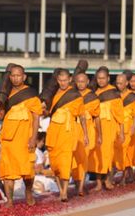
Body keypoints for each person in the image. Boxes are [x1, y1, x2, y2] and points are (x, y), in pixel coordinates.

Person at [0, 65, 42, 207]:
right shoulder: (5, 93)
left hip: (25, 137)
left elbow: (36, 118)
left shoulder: (30, 94)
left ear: (24, 77)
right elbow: (1, 116)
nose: (16, 78)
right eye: (13, 76)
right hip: (9, 137)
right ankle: (10, 200)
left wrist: (33, 138)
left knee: (27, 168)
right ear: (10, 77)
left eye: (18, 75)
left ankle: (28, 192)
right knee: (8, 169)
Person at [45, 68, 87, 202]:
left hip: (68, 131)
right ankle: (60, 189)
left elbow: (82, 116)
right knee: (55, 162)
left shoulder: (75, 95)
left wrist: (85, 134)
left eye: (65, 80)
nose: (63, 83)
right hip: (54, 130)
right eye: (60, 80)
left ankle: (64, 192)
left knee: (65, 160)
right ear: (57, 80)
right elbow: (48, 112)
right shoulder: (53, 94)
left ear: (70, 80)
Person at [70, 72, 101, 196]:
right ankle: (78, 183)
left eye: (83, 81)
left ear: (87, 82)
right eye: (78, 81)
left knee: (84, 158)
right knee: (74, 159)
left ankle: (81, 186)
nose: (81, 84)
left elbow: (97, 117)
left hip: (87, 130)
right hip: (73, 129)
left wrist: (100, 134)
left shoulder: (92, 97)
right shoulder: (71, 96)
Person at [93, 67, 124, 191]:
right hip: (96, 128)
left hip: (110, 128)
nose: (100, 81)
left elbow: (120, 115)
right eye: (98, 78)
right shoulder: (94, 93)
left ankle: (108, 179)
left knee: (109, 154)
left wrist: (121, 132)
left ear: (108, 78)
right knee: (97, 155)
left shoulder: (114, 94)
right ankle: (99, 182)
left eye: (103, 78)